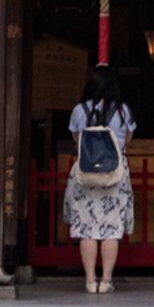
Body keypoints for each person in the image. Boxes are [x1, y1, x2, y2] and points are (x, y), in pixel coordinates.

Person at [62, 66, 137, 295]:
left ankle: (89, 280)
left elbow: (77, 140)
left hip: (85, 173)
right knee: (111, 228)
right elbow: (127, 142)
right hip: (114, 173)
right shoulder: (123, 111)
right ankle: (106, 280)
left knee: (87, 228)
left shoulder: (78, 110)